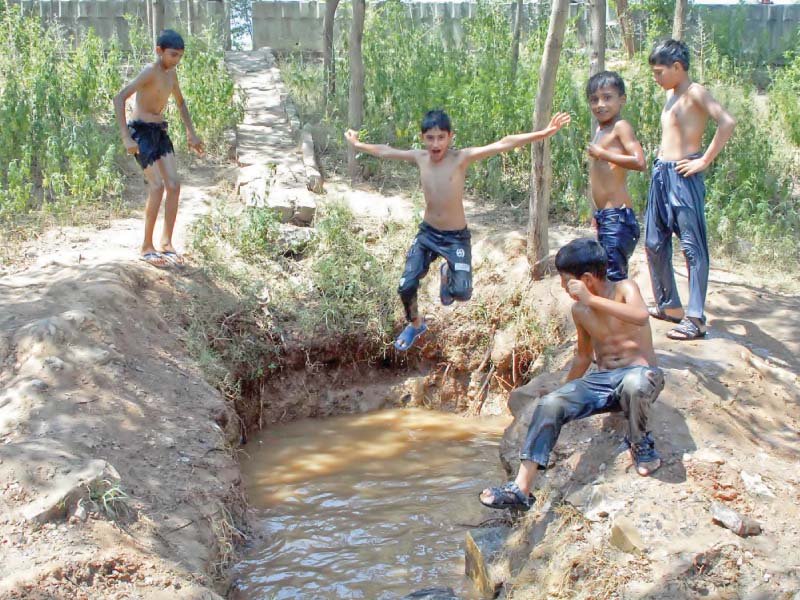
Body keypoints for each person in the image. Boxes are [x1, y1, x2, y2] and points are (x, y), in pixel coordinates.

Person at [344, 109, 571, 351]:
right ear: (423, 138)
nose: (435, 143)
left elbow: (504, 143)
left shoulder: (461, 158)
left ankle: (447, 274)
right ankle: (416, 324)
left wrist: (545, 132)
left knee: (462, 293)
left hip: (455, 239)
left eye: (441, 137)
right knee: (405, 285)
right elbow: (386, 151)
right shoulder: (420, 157)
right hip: (427, 235)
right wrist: (359, 144)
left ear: (450, 136)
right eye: (430, 138)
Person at [479, 238, 664, 511]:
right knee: (551, 403)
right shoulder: (580, 310)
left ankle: (641, 442)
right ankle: (521, 488)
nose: (563, 287)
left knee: (636, 383)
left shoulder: (625, 289)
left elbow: (640, 315)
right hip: (603, 383)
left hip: (640, 376)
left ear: (587, 279)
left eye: (566, 281)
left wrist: (593, 299)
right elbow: (583, 357)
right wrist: (562, 391)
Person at [645, 39, 735, 340]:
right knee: (654, 242)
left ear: (678, 67)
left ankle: (695, 318)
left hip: (684, 175)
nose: (656, 78)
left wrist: (704, 161)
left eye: (660, 72)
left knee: (693, 247)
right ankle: (669, 306)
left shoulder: (696, 92)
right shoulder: (671, 95)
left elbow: (727, 122)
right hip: (661, 173)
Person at [113, 29, 204, 268]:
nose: (177, 60)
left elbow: (181, 103)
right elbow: (119, 98)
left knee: (174, 185)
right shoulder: (149, 72)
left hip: (159, 131)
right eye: (173, 55)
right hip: (140, 131)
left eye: (180, 56)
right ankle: (146, 247)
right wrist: (126, 138)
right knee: (157, 186)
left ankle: (166, 243)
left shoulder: (171, 75)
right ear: (159, 51)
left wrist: (191, 133)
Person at [585, 71, 647, 281]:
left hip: (618, 217)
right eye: (594, 99)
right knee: (606, 276)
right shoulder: (601, 129)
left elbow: (639, 161)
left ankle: (627, 313)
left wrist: (603, 154)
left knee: (613, 278)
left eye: (607, 97)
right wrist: (596, 213)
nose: (600, 104)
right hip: (606, 217)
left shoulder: (620, 127)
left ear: (622, 100)